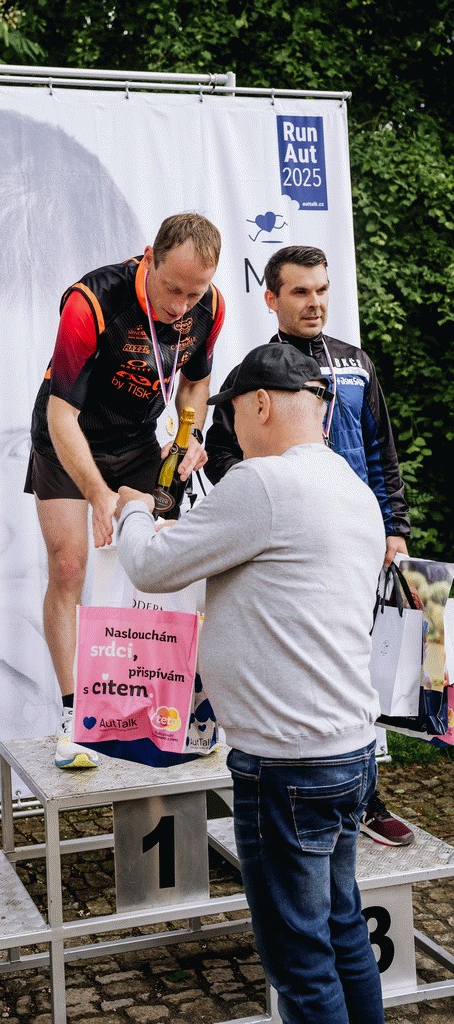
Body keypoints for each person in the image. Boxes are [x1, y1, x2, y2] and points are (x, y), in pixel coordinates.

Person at [115, 343, 386, 1024]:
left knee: (300, 961)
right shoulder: (351, 487)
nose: (230, 432)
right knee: (343, 931)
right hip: (348, 750)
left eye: (231, 414)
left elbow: (150, 566)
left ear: (259, 403)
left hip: (286, 764)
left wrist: (132, 507)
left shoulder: (262, 484)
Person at [204, 244, 414, 848]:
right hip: (294, 548)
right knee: (306, 667)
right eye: (300, 291)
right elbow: (221, 452)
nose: (314, 302)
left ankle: (365, 797)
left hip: (357, 539)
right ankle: (299, 791)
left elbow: (381, 452)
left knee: (365, 666)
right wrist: (263, 504)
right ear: (271, 299)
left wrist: (395, 527)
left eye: (321, 289)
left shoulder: (356, 363)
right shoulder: (256, 373)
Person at [25, 213, 225, 768]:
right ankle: (75, 713)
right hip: (67, 438)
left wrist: (190, 437)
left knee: (152, 570)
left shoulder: (211, 306)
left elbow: (195, 381)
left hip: (136, 441)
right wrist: (96, 492)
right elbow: (61, 412)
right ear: (149, 258)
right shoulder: (91, 302)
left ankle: (148, 703)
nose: (181, 306)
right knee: (70, 565)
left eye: (194, 293)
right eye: (172, 289)